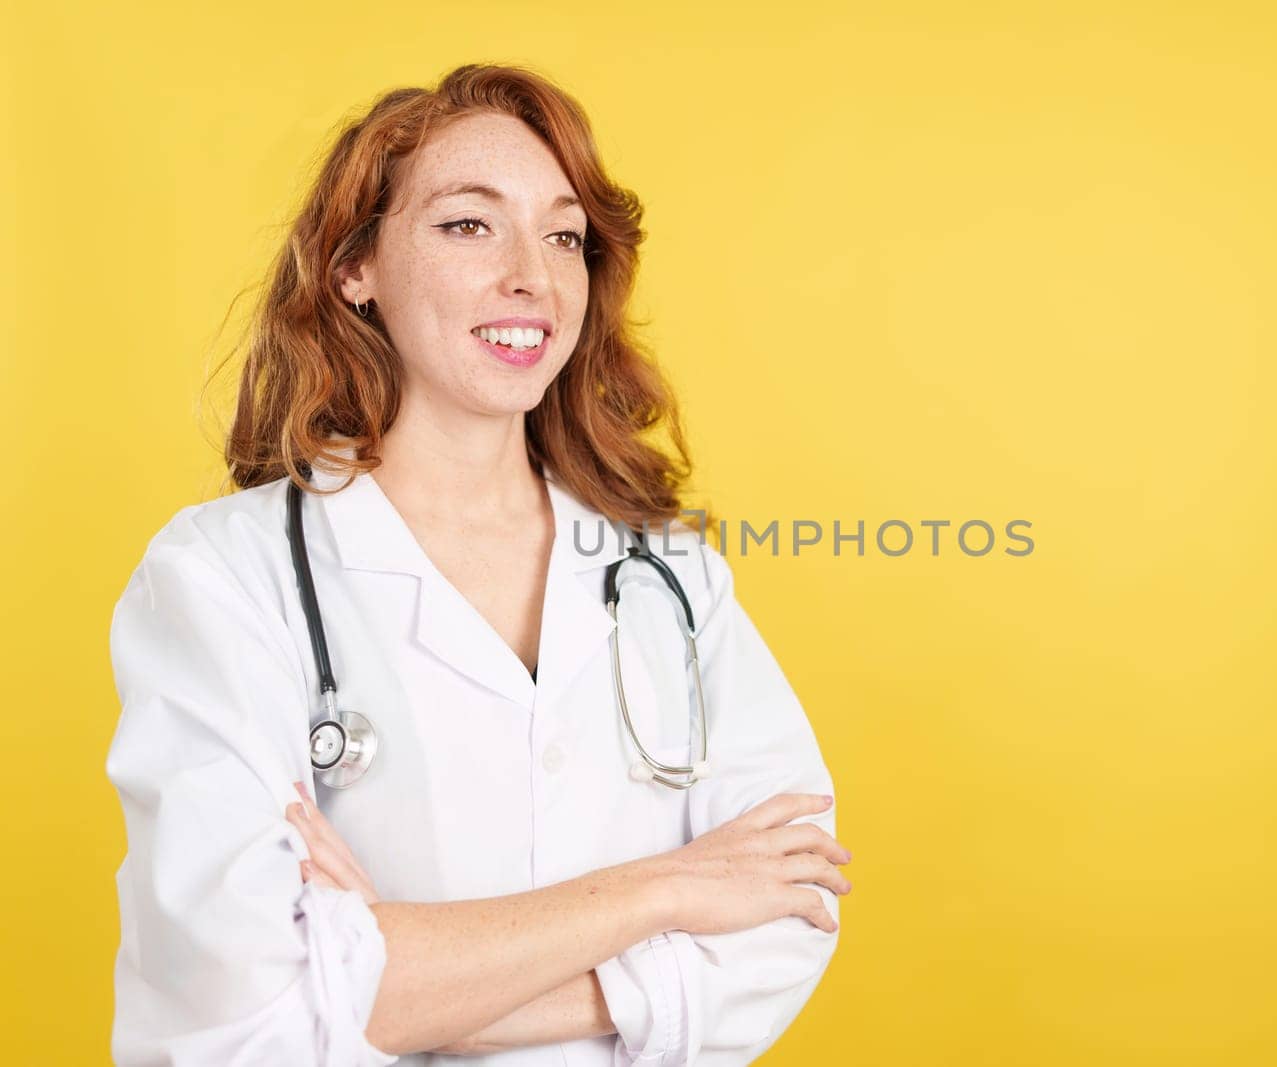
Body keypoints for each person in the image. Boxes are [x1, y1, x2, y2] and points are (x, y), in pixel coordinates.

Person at [104, 62, 852, 1065]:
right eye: (468, 224)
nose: (532, 278)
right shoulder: (225, 576)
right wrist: (666, 890)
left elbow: (788, 902)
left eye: (563, 235)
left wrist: (379, 975)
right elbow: (241, 998)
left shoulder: (671, 578)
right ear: (352, 268)